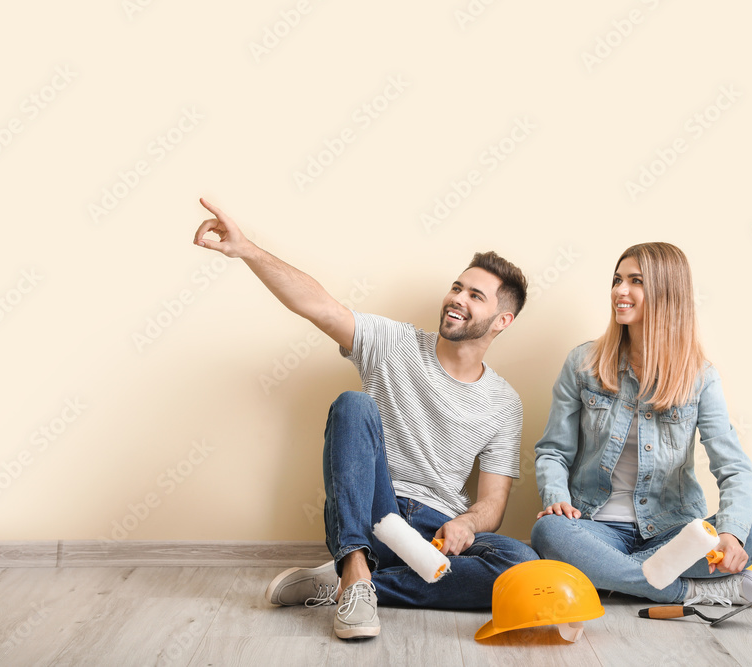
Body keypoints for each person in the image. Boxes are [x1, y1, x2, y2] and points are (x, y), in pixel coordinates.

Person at [192, 198, 538, 640]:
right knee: (353, 405)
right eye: (457, 287)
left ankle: (350, 584)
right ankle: (355, 570)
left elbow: (493, 502)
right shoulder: (394, 342)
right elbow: (319, 306)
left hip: (432, 534)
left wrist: (467, 524)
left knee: (520, 565)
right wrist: (248, 250)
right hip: (373, 512)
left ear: (502, 320)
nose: (456, 299)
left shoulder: (504, 401)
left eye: (475, 295)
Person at [531, 242, 752, 608]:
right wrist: (557, 498)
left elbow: (735, 470)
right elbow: (552, 451)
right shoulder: (583, 363)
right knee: (549, 532)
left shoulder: (700, 378)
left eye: (635, 281)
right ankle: (691, 591)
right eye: (617, 280)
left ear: (666, 293)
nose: (619, 291)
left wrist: (730, 534)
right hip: (595, 526)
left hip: (672, 530)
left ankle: (611, 577)